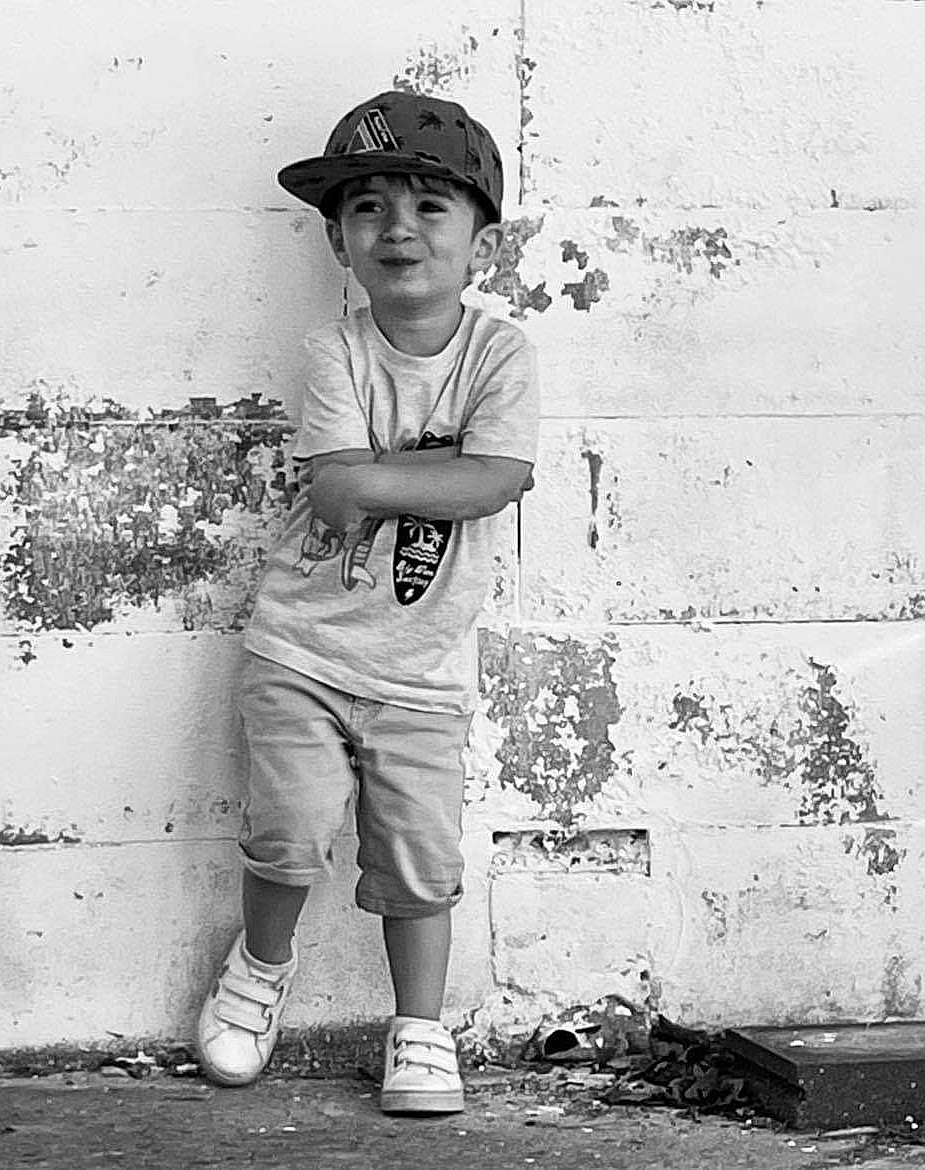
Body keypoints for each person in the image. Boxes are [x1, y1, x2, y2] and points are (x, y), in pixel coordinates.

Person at [196, 90, 539, 1114]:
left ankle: (420, 1028)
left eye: (431, 206)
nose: (397, 227)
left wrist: (397, 476)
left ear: (483, 238)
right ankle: (259, 971)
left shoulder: (500, 354)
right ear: (340, 241)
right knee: (288, 831)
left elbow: (499, 479)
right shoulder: (334, 352)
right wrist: (440, 471)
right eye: (368, 208)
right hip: (301, 649)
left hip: (423, 673)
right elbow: (339, 484)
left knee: (420, 861)